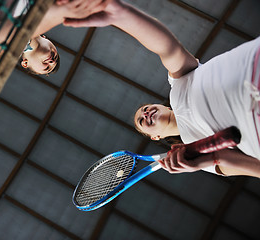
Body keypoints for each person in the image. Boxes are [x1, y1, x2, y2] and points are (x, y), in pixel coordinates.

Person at [64, 0, 260, 178]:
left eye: (145, 109)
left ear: (165, 106)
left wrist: (124, 15)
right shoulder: (195, 150)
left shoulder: (179, 86)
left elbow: (168, 48)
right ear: (155, 137)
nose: (146, 113)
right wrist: (209, 160)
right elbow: (254, 167)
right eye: (142, 120)